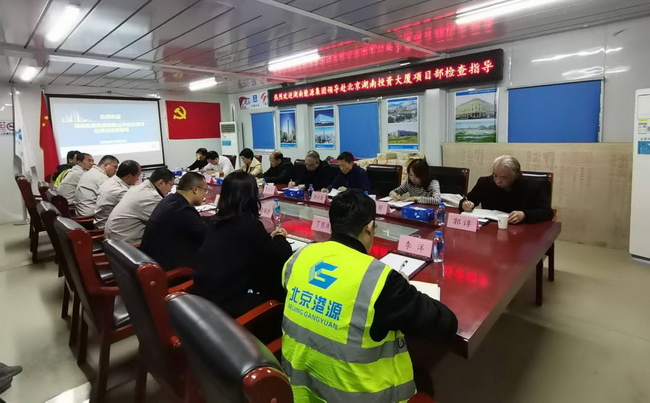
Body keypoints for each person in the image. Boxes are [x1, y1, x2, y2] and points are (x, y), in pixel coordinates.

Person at [281, 190, 457, 401]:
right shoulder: (379, 281)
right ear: (370, 227)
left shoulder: (299, 257)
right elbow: (445, 323)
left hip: (298, 393)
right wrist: (403, 288)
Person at [193, 171, 291, 318]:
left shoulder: (215, 221)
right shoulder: (250, 225)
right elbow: (280, 255)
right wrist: (280, 237)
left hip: (205, 297)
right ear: (251, 197)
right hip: (229, 306)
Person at [140, 172, 208, 271]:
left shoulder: (171, 200)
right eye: (205, 190)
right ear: (195, 190)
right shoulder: (182, 210)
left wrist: (214, 219)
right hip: (168, 269)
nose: (205, 194)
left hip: (154, 258)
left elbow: (195, 222)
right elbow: (207, 235)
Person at [461, 155, 554, 224]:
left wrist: (524, 215)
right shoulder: (485, 182)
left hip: (520, 232)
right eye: (495, 175)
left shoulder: (532, 186)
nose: (497, 181)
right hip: (491, 230)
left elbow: (547, 212)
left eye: (503, 177)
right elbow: (468, 200)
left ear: (515, 176)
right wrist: (465, 204)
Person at [104, 168, 174, 242]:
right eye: (171, 185)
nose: (170, 190)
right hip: (125, 243)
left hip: (114, 237)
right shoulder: (151, 197)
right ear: (161, 183)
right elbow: (168, 223)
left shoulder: (140, 187)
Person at [94, 160, 141, 229]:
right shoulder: (119, 191)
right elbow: (138, 207)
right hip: (107, 228)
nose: (138, 179)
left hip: (103, 223)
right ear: (129, 176)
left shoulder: (111, 181)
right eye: (138, 176)